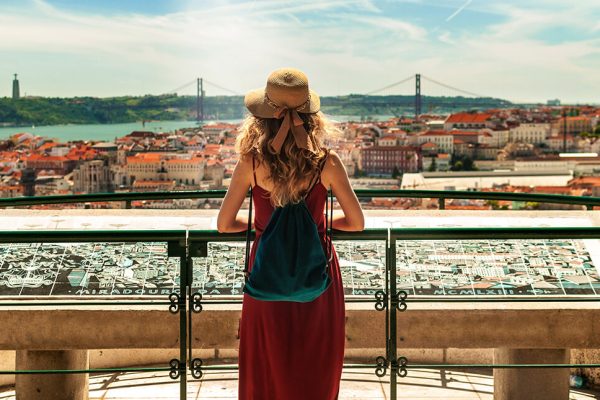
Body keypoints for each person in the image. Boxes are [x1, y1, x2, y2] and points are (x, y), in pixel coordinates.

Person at [217, 67, 364, 400]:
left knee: (267, 367)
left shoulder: (250, 164)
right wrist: (318, 228)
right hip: (318, 279)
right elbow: (356, 222)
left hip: (266, 275)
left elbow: (225, 224)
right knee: (315, 368)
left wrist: (263, 230)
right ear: (313, 118)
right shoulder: (328, 163)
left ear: (261, 119)